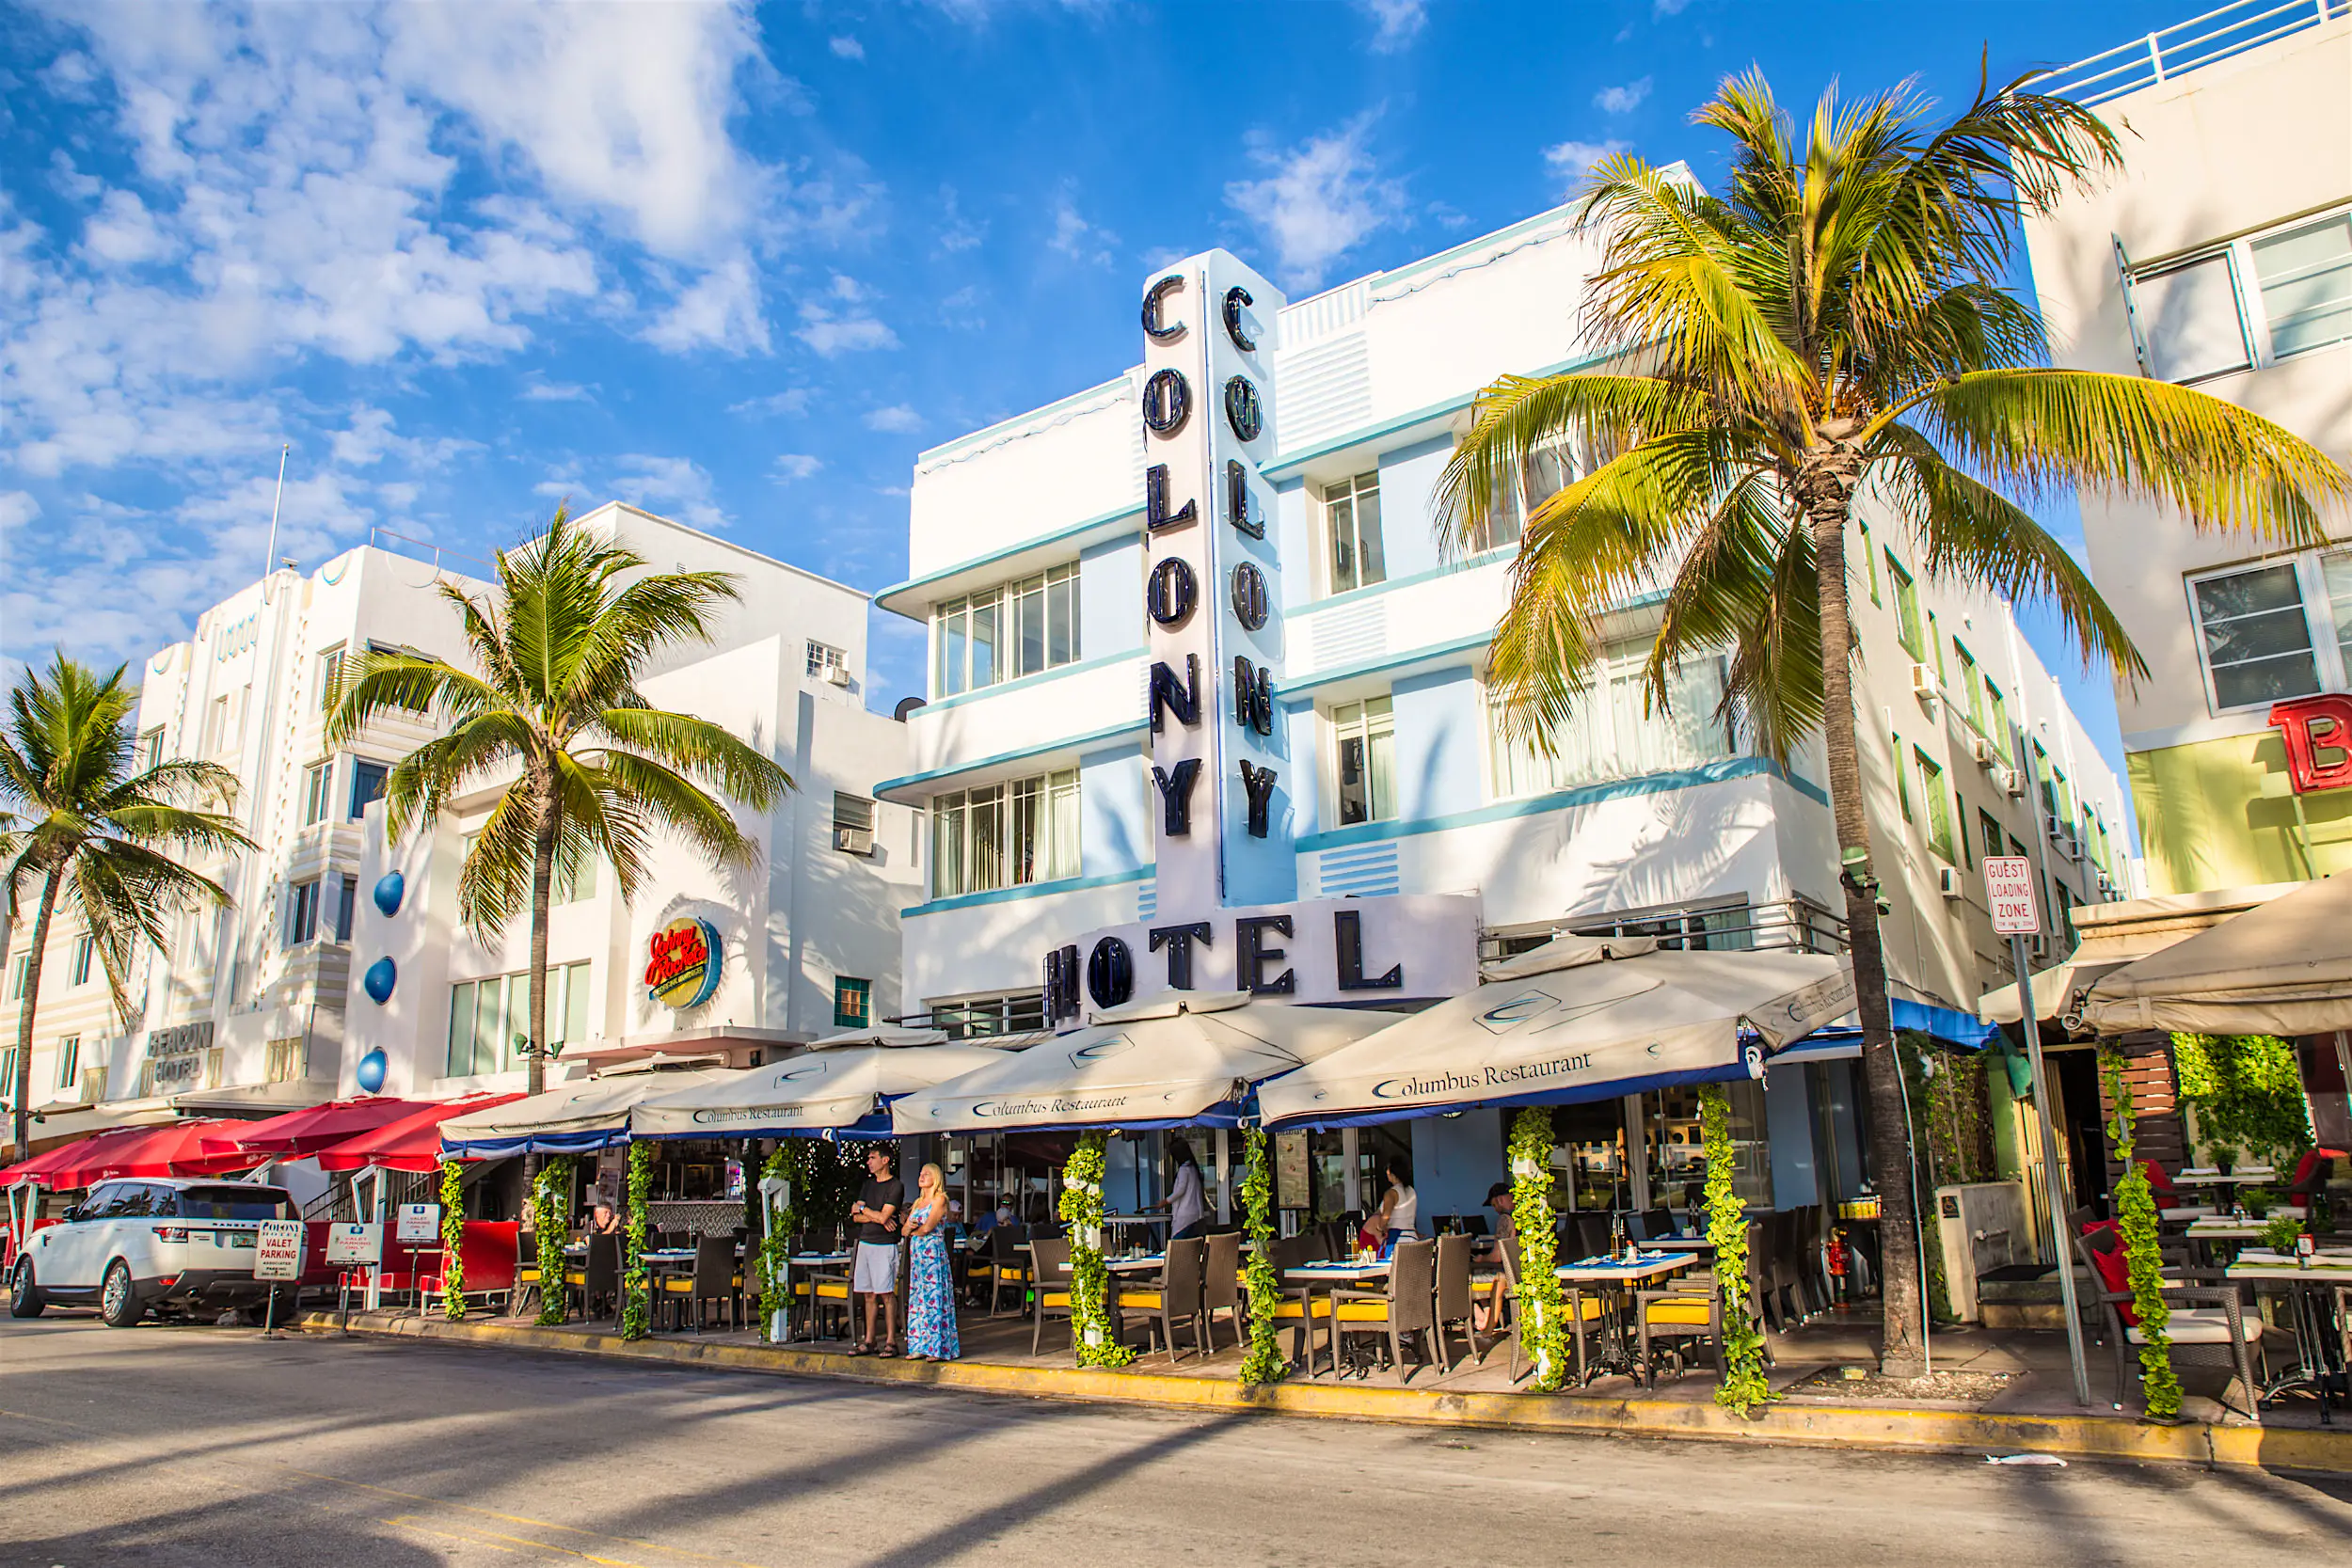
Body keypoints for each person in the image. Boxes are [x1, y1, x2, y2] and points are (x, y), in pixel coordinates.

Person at [848, 1145, 904, 1356]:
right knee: (868, 1294)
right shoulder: (867, 1185)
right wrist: (875, 1215)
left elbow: (882, 1216)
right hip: (866, 1242)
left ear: (885, 1160)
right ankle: (869, 1340)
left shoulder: (895, 1186)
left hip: (884, 1244)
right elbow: (856, 1217)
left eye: (872, 1158)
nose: (869, 1162)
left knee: (886, 1293)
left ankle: (891, 1341)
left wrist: (865, 1210)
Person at [902, 1163, 961, 1362]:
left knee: (934, 1297)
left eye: (927, 1174)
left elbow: (927, 1227)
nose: (922, 1176)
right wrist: (909, 1229)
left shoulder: (940, 1199)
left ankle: (936, 1347)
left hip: (932, 1254)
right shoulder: (918, 1202)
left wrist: (912, 1231)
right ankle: (919, 1345)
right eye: (920, 1173)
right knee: (918, 1298)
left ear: (935, 1178)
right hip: (918, 1256)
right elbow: (903, 1230)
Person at [1473, 1181, 1517, 1333]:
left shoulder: (1505, 1219)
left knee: (1464, 1278)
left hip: (1505, 1274)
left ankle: (1483, 1317)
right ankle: (1487, 1316)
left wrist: (1481, 1259)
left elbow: (1497, 1257)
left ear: (1499, 1200)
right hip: (1521, 1271)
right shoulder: (1524, 1215)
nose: (1495, 1209)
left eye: (1493, 1205)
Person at [1164, 1139, 1207, 1242]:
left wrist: (1166, 1201)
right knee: (1191, 1245)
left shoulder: (1184, 1170)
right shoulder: (1193, 1169)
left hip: (1185, 1214)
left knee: (1176, 1244)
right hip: (1196, 1214)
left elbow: (1180, 1190)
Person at [1373, 1157, 1418, 1254]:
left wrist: (1379, 1228)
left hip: (1398, 1239)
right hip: (1412, 1237)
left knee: (1393, 1268)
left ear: (1390, 1172)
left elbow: (1386, 1216)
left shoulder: (1391, 1193)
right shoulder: (1411, 1191)